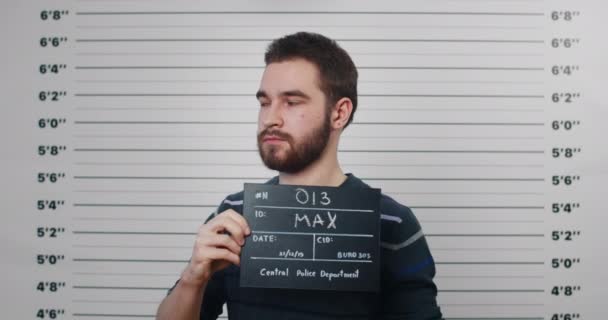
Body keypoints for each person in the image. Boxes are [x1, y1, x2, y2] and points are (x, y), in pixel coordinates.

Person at [156, 31, 443, 320]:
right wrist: (193, 277)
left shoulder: (391, 225)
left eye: (291, 102)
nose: (270, 118)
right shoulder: (234, 216)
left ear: (339, 113)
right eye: (264, 102)